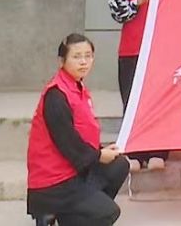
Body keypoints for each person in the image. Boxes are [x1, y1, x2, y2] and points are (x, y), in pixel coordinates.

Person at [26, 33, 129, 226]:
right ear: (62, 61)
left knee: (119, 165)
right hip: (55, 181)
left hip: (74, 167)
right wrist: (98, 155)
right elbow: (68, 143)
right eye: (76, 56)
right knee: (108, 213)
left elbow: (83, 133)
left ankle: (72, 216)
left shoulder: (76, 86)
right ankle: (64, 212)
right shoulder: (56, 95)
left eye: (88, 56)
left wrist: (101, 150)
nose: (83, 62)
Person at [108, 0, 181, 172]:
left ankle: (158, 152)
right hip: (132, 50)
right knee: (132, 101)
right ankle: (134, 152)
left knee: (160, 102)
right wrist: (135, 3)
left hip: (163, 52)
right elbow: (115, 10)